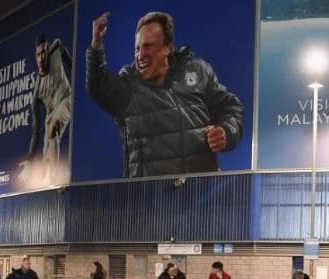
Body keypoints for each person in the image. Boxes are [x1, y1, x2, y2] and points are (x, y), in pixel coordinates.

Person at [87, 11, 244, 178]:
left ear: (167, 48)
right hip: (150, 193)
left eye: (148, 46)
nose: (140, 55)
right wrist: (96, 46)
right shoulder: (128, 85)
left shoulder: (199, 70)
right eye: (137, 48)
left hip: (202, 190)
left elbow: (231, 108)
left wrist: (226, 132)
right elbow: (98, 87)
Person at [22, 33, 72, 184]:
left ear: (47, 49)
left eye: (43, 52)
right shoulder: (37, 91)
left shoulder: (55, 49)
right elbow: (35, 131)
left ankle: (57, 179)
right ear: (35, 56)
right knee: (44, 165)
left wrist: (74, 66)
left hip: (67, 99)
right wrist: (29, 159)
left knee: (52, 127)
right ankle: (53, 181)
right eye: (38, 55)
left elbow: (67, 57)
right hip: (50, 116)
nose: (41, 58)